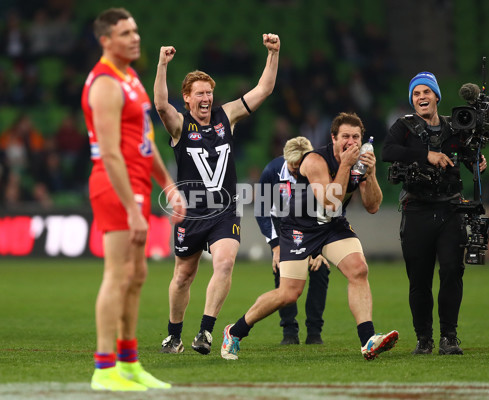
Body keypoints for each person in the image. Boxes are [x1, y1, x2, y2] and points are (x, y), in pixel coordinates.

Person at [221, 112, 399, 361]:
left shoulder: (358, 161)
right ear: (333, 138)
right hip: (299, 228)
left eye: (356, 137)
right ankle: (235, 331)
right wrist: (347, 166)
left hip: (332, 226)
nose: (351, 142)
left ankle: (368, 340)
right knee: (288, 294)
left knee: (358, 269)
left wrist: (371, 173)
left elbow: (372, 206)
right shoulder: (315, 161)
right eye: (345, 136)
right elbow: (329, 201)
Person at [154, 33, 280, 355]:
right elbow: (159, 104)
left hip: (225, 211)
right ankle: (174, 336)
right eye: (200, 93)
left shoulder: (228, 116)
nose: (207, 97)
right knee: (183, 275)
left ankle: (206, 332)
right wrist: (162, 65)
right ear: (188, 99)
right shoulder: (180, 126)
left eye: (209, 92)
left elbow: (263, 89)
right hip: (193, 212)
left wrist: (273, 53)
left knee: (224, 263)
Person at [81, 8, 185, 391]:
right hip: (115, 185)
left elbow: (145, 141)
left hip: (139, 183)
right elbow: (109, 153)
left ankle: (129, 363)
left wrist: (168, 184)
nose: (134, 38)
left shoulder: (131, 78)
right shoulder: (105, 83)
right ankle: (104, 368)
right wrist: (131, 208)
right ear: (105, 40)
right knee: (117, 275)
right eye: (124, 33)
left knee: (137, 276)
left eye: (135, 30)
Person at [382, 71, 487, 356]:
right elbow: (387, 151)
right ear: (412, 100)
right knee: (419, 279)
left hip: (450, 208)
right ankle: (424, 339)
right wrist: (425, 155)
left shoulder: (456, 127)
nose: (421, 97)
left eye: (426, 92)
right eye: (416, 94)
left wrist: (477, 160)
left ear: (437, 96)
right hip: (416, 209)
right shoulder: (403, 126)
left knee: (453, 271)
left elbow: (468, 158)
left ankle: (449, 338)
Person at [256, 136, 330, 345]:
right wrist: (275, 246)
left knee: (320, 270)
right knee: (283, 271)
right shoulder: (272, 172)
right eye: (293, 166)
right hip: (285, 229)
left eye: (301, 165)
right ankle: (289, 332)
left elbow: (331, 209)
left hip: (315, 228)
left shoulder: (320, 169)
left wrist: (321, 249)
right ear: (285, 159)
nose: (297, 170)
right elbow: (262, 211)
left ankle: (314, 333)